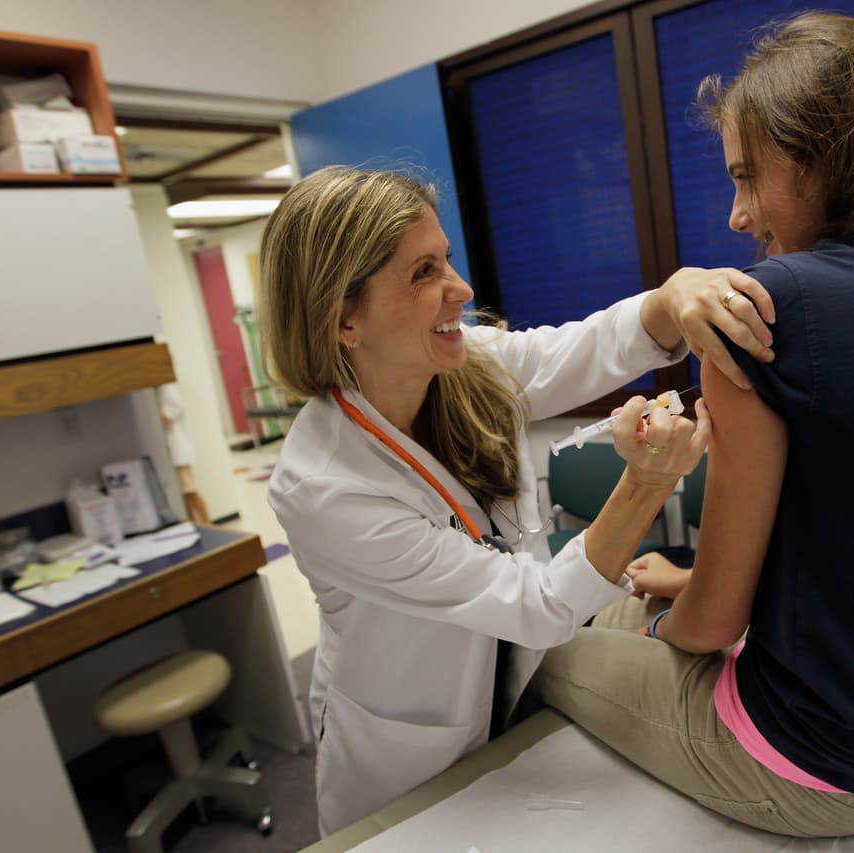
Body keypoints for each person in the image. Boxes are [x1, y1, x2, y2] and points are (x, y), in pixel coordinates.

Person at [531, 12, 854, 838]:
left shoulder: (765, 309)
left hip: (814, 767)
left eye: (746, 178)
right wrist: (685, 587)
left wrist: (670, 624)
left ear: (818, 157)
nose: (736, 216)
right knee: (636, 595)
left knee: (541, 646)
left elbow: (715, 627)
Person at [258, 165, 779, 835]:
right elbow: (539, 605)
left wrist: (673, 295)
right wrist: (645, 483)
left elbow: (579, 349)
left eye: (446, 259)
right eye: (423, 273)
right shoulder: (324, 487)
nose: (461, 289)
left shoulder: (463, 367)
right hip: (407, 749)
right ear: (344, 319)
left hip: (515, 684)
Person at [157, 382, 210, 525]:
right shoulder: (161, 389)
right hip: (176, 452)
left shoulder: (166, 387)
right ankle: (197, 524)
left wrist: (162, 416)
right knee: (185, 495)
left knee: (191, 492)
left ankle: (208, 523)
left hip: (179, 450)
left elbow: (173, 409)